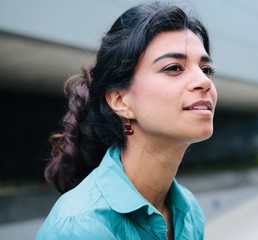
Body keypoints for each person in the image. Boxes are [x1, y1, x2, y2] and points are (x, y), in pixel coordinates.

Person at [36, 1, 217, 239]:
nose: (204, 81)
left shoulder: (189, 211)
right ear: (120, 101)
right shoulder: (80, 226)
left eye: (206, 69)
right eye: (174, 67)